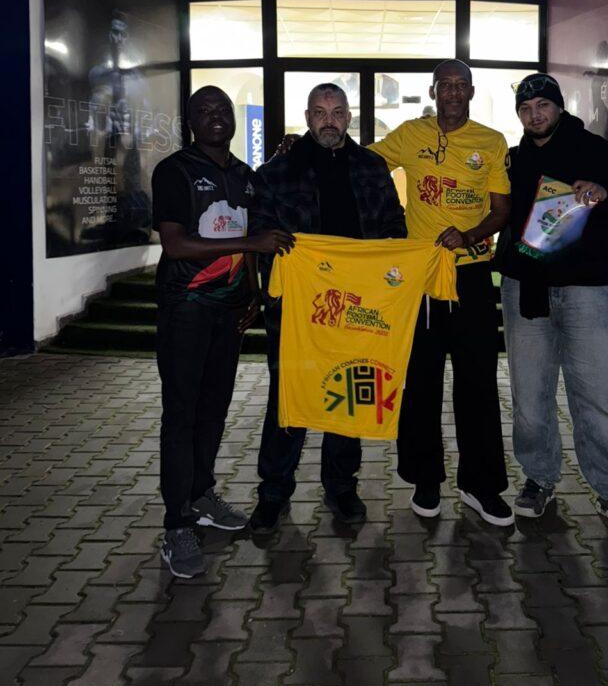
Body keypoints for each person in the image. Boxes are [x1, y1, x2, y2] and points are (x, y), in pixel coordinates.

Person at [496, 73, 608, 535]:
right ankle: (538, 479)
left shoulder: (594, 150)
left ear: (559, 107)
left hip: (586, 290)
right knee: (530, 397)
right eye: (526, 109)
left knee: (597, 399)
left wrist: (606, 192)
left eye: (543, 105)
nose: (534, 115)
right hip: (525, 289)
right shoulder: (513, 160)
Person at [249, 83, 406, 533]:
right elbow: (260, 231)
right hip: (297, 310)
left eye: (337, 112)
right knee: (289, 397)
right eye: (319, 112)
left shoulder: (372, 167)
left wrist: (390, 263)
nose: (329, 120)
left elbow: (393, 223)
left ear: (349, 118)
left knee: (349, 392)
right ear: (307, 117)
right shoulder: (277, 172)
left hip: (357, 308)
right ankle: (273, 493)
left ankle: (341, 487)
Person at [152, 86, 294, 578]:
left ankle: (202, 494)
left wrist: (252, 292)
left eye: (223, 110)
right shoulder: (174, 171)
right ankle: (177, 524)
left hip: (228, 311)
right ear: (191, 121)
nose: (215, 117)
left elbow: (249, 244)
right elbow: (176, 246)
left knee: (214, 410)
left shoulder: (244, 176)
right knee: (181, 415)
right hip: (186, 308)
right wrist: (254, 242)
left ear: (234, 120)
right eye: (204, 111)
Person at [370, 60, 514, 526]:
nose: (452, 92)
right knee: (421, 382)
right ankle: (425, 479)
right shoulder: (410, 134)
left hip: (471, 276)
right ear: (433, 92)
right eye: (444, 85)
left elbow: (501, 212)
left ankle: (481, 486)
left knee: (478, 383)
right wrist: (306, 147)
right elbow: (362, 163)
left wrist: (469, 236)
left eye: (460, 85)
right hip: (421, 278)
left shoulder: (491, 141)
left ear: (470, 91)